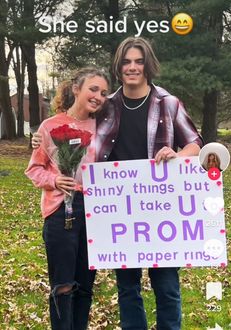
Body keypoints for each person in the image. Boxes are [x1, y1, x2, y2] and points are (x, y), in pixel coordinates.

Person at [33, 37, 203, 330]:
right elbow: (72, 123)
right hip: (119, 211)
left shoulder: (169, 103)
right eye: (126, 62)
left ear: (148, 64)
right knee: (127, 288)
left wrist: (177, 154)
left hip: (161, 208)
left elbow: (196, 144)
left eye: (138, 61)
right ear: (119, 66)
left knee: (167, 286)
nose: (132, 67)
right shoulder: (106, 106)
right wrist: (38, 138)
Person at [25, 67, 109, 330]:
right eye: (93, 89)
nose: (98, 96)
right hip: (61, 210)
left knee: (85, 285)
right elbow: (34, 168)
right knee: (62, 286)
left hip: (95, 212)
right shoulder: (50, 126)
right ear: (76, 89)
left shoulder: (105, 127)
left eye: (104, 93)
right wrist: (54, 180)